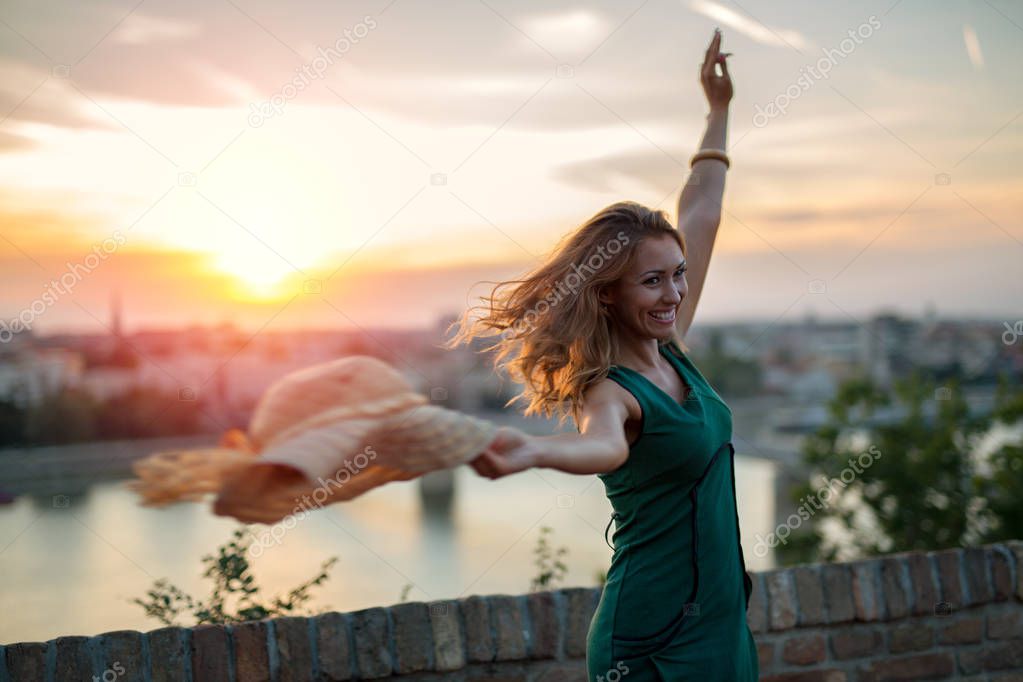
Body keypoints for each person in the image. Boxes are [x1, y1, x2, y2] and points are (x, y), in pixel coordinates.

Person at [444, 28, 757, 681]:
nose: (674, 291)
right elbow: (602, 449)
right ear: (607, 295)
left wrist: (717, 111)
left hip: (721, 625)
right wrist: (532, 451)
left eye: (677, 274)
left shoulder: (672, 346)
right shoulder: (609, 390)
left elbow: (700, 210)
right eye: (652, 280)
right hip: (650, 638)